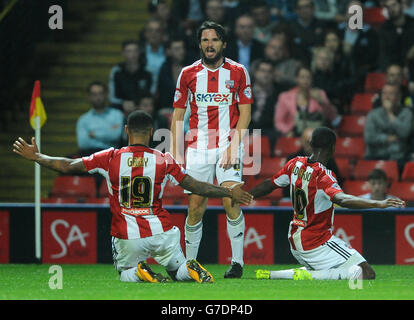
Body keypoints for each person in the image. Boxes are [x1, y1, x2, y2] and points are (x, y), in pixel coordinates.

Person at [13, 110, 253, 283]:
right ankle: (187, 268)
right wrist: (229, 191)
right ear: (151, 132)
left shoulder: (110, 157)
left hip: (128, 236)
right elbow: (197, 186)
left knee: (124, 273)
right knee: (177, 268)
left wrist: (38, 157)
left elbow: (67, 165)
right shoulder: (164, 159)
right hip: (163, 232)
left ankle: (138, 272)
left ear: (126, 130)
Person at [251, 127, 405, 281]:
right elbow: (342, 200)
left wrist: (246, 195)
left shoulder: (295, 164)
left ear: (311, 144)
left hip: (295, 239)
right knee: (365, 272)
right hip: (316, 241)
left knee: (331, 269)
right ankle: (309, 275)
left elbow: (269, 184)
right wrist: (378, 204)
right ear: (333, 148)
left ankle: (274, 275)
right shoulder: (324, 176)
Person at [170, 21, 253, 278]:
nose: (210, 44)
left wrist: (233, 147)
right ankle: (190, 264)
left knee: (231, 198)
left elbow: (246, 114)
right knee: (196, 205)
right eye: (205, 40)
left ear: (224, 44)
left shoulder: (239, 72)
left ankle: (237, 263)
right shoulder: (187, 74)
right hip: (198, 147)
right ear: (199, 44)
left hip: (229, 144)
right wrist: (175, 155)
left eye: (214, 40)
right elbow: (177, 118)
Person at [274, 66, 339, 138]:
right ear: (296, 78)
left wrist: (322, 102)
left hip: (315, 136)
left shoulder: (320, 94)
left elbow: (334, 118)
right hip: (293, 135)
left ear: (312, 79)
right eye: (302, 77)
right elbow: (278, 122)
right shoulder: (285, 96)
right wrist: (287, 132)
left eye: (308, 77)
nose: (305, 80)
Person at [364, 83, 413, 166]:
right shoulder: (373, 114)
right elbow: (369, 138)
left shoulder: (407, 113)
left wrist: (390, 114)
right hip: (374, 156)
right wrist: (387, 138)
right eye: (384, 93)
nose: (386, 97)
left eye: (391, 94)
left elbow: (405, 133)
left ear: (399, 97)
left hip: (398, 158)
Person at [76, 81, 125, 156]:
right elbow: (83, 144)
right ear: (89, 97)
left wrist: (94, 134)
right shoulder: (83, 119)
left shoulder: (117, 114)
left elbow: (115, 136)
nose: (98, 97)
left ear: (106, 95)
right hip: (89, 155)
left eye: (100, 93)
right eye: (94, 94)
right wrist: (108, 132)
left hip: (111, 155)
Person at [109, 40, 152, 113]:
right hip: (121, 108)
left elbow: (152, 93)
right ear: (122, 53)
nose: (133, 54)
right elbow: (112, 97)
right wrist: (122, 103)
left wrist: (139, 105)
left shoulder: (148, 71)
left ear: (139, 53)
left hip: (144, 108)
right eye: (129, 51)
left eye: (135, 51)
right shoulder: (116, 71)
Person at [378, 0, 414, 71]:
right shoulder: (384, 29)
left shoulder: (412, 23)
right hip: (392, 70)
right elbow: (383, 55)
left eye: (394, 5)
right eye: (388, 7)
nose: (391, 9)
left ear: (401, 5)